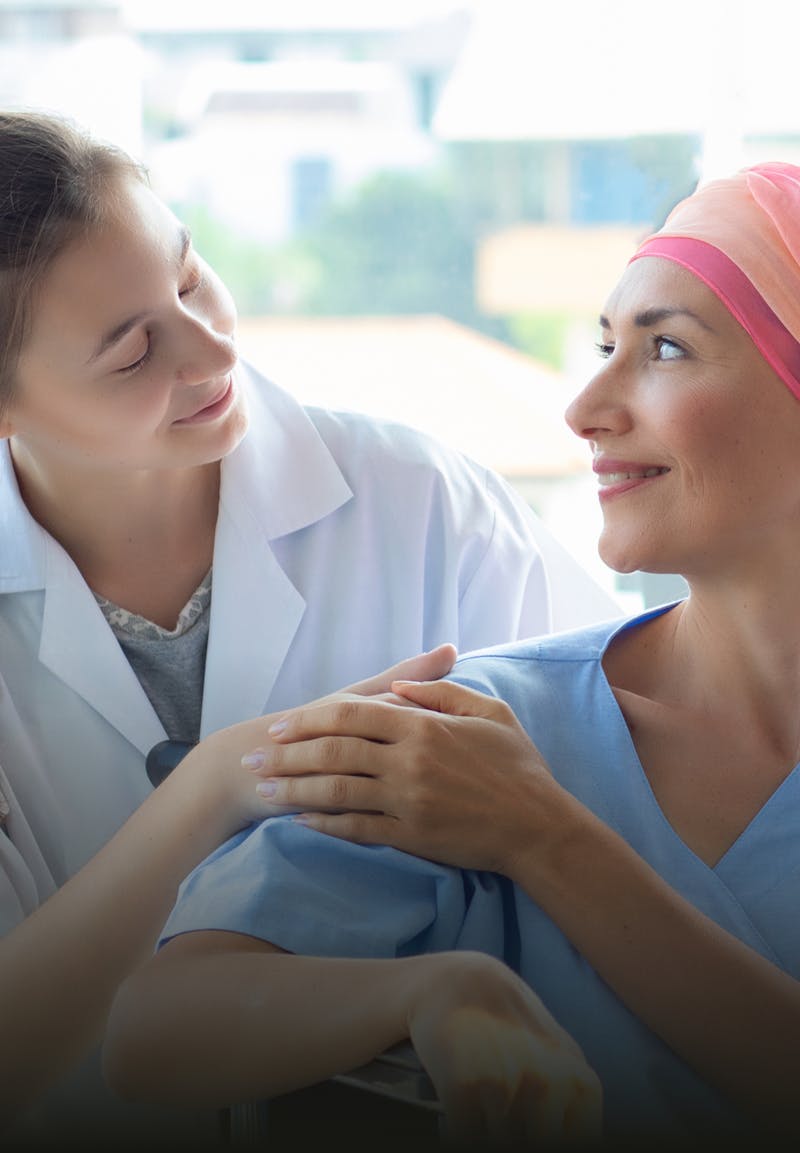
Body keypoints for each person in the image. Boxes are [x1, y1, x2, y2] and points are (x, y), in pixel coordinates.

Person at [103, 161, 800, 1148]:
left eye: (667, 348)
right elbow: (153, 1033)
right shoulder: (482, 729)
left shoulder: (507, 787)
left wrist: (544, 839)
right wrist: (435, 986)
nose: (586, 405)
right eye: (603, 343)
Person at [0, 109, 618, 1143]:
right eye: (133, 351)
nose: (209, 352)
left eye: (191, 279)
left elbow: (623, 817)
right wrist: (220, 781)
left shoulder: (419, 505)